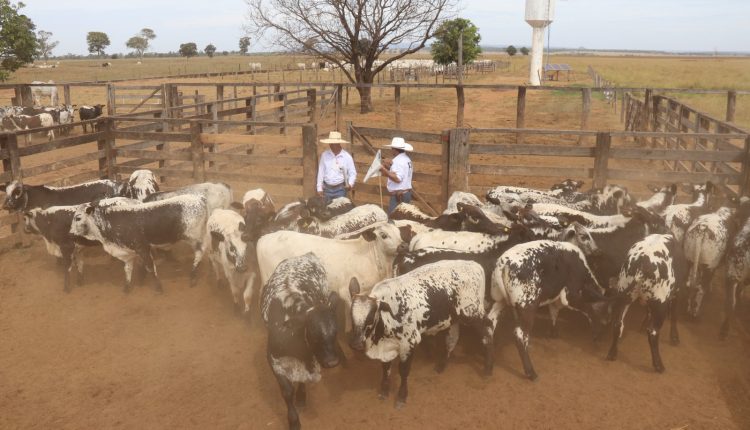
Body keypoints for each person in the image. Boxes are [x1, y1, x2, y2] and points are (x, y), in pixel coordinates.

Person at [316, 131, 356, 204]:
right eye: (330, 143)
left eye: (333, 143)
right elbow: (321, 172)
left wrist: (350, 184)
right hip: (327, 189)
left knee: (340, 212)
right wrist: (319, 188)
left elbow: (352, 172)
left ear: (338, 144)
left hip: (340, 189)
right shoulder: (324, 155)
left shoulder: (346, 157)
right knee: (327, 211)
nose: (331, 145)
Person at [380, 137, 413, 214]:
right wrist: (389, 167)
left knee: (393, 220)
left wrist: (383, 169)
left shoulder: (398, 161)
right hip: (405, 193)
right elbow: (400, 172)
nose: (391, 150)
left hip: (399, 196)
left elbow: (398, 179)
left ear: (395, 149)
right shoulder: (407, 159)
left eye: (392, 148)